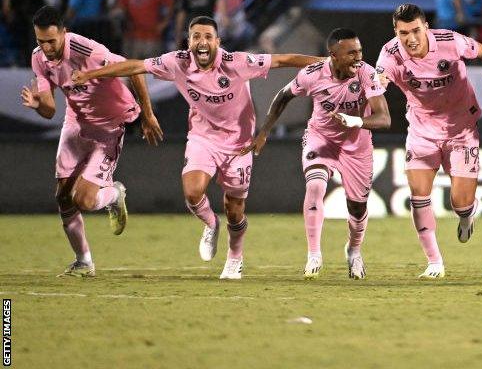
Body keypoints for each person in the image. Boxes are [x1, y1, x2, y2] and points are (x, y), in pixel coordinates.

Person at [71, 16, 318, 280]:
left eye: (208, 37)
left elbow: (283, 59)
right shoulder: (177, 62)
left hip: (239, 145)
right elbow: (134, 66)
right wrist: (90, 74)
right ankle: (211, 224)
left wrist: (324, 63)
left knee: (235, 210)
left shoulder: (237, 63)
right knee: (192, 191)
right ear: (189, 41)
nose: (202, 42)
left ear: (217, 42)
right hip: (203, 138)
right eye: (196, 36)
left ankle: (235, 258)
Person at [240, 28, 391, 279]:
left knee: (357, 207)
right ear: (333, 55)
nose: (358, 57)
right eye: (351, 53)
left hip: (356, 145)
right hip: (321, 138)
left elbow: (384, 118)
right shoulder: (312, 74)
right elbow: (282, 97)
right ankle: (314, 255)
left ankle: (353, 251)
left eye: (360, 51)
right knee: (315, 187)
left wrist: (354, 121)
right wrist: (265, 130)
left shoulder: (367, 74)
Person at [22, 6, 162, 276]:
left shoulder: (87, 51)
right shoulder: (38, 59)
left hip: (109, 126)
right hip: (76, 122)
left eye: (52, 41)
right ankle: (84, 261)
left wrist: (148, 115)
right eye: (41, 41)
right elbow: (50, 110)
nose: (47, 47)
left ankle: (113, 195)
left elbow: (135, 70)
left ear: (64, 33)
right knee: (63, 196)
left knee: (84, 200)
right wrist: (36, 104)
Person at [375, 4, 482, 279]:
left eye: (415, 30)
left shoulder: (451, 41)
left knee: (461, 202)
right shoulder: (390, 53)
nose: (410, 39)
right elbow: (379, 79)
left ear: (426, 26)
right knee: (419, 197)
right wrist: (377, 84)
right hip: (422, 131)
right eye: (404, 33)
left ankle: (466, 215)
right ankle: (434, 262)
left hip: (461, 128)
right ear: (396, 32)